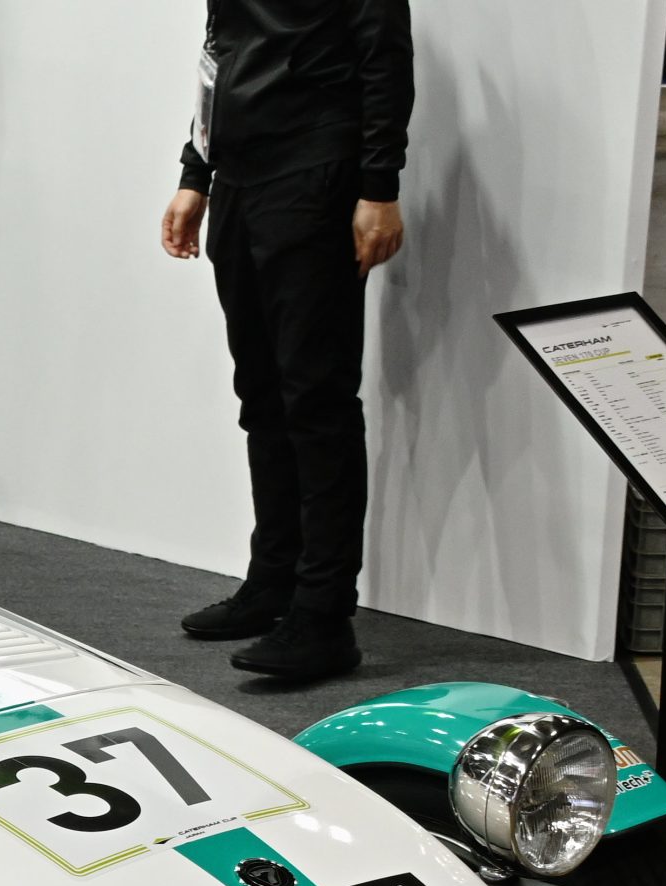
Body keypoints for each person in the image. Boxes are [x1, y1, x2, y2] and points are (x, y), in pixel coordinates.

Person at [161, 0, 412, 682]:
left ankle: (324, 615)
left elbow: (384, 60)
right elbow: (220, 55)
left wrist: (379, 187)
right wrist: (195, 174)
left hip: (314, 177)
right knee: (262, 396)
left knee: (317, 401)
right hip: (239, 182)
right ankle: (274, 579)